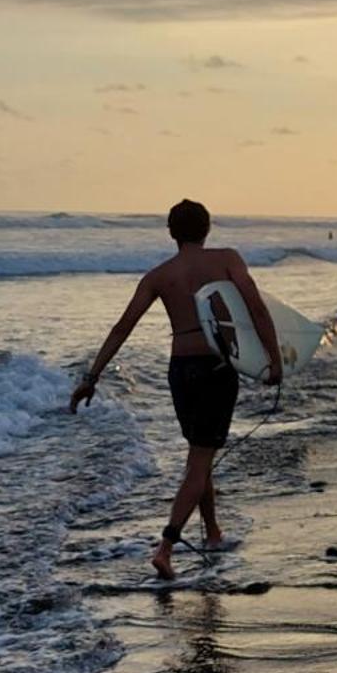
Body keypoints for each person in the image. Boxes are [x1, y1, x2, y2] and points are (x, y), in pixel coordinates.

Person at [69, 199, 280, 580]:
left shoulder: (158, 275)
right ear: (208, 228)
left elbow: (122, 327)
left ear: (171, 232)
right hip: (216, 367)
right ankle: (166, 546)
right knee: (200, 459)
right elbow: (258, 309)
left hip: (180, 370)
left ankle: (213, 532)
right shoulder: (228, 259)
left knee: (200, 452)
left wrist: (91, 377)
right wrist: (274, 360)